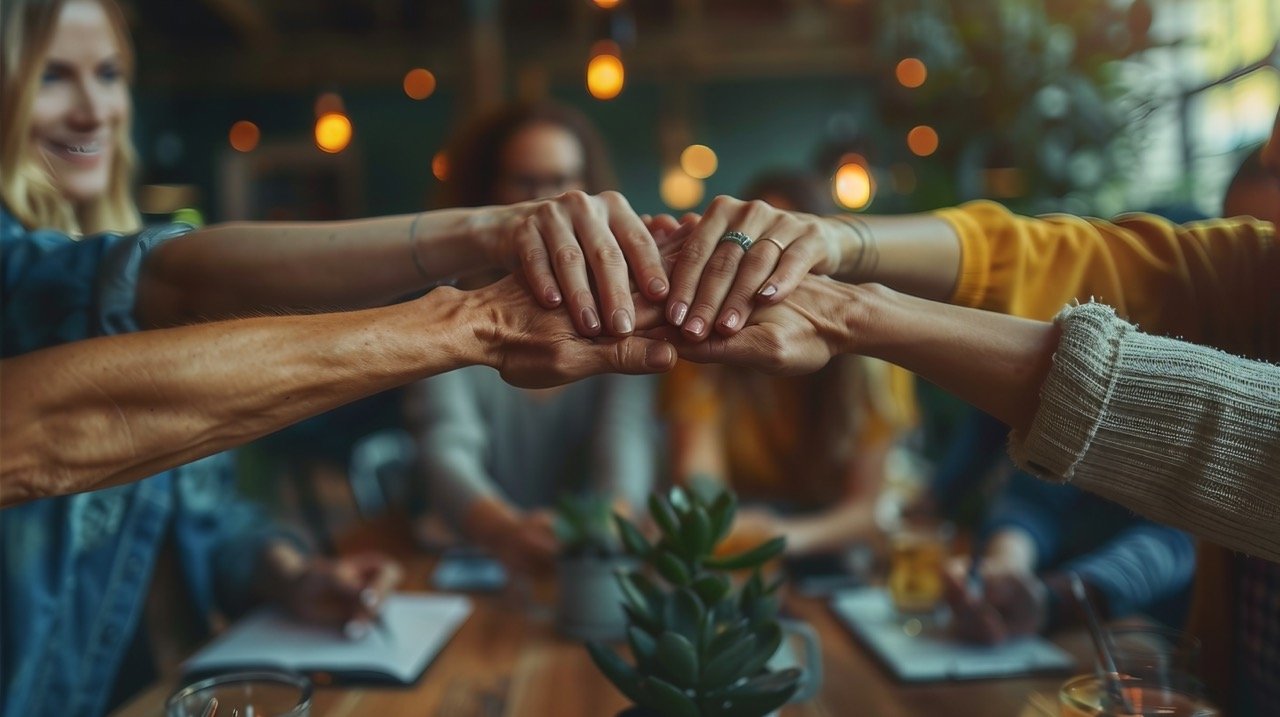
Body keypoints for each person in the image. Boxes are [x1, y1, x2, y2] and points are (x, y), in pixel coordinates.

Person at [0, 2, 674, 715]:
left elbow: (205, 515)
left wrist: (290, 573)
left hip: (159, 687)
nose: (93, 109)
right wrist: (481, 253)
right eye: (52, 77)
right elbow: (166, 279)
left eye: (108, 74)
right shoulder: (53, 278)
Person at [656, 109, 1280, 714]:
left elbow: (1235, 448)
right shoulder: (1256, 272)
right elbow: (1064, 257)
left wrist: (857, 312)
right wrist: (838, 238)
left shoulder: (853, 366)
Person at [413, 102, 658, 574]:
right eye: (526, 182)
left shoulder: (627, 310)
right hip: (474, 553)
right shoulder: (447, 310)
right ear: (492, 190)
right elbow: (445, 443)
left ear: (588, 189)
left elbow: (625, 436)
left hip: (591, 560)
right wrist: (504, 530)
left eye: (562, 180)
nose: (548, 202)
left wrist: (605, 526)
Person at [664, 171, 918, 555]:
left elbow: (866, 509)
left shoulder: (872, 360)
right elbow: (699, 478)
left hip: (832, 546)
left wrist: (779, 537)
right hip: (740, 532)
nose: (766, 269)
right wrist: (725, 523)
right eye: (754, 248)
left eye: (788, 249)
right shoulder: (703, 345)